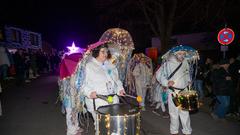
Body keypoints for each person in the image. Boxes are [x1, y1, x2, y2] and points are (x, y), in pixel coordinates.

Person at [82, 42, 125, 125]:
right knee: (102, 127)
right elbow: (82, 84)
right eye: (103, 52)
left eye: (106, 51)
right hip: (98, 102)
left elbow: (117, 80)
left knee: (115, 126)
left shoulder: (111, 65)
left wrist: (120, 89)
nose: (105, 54)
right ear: (96, 52)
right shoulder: (89, 66)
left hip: (113, 100)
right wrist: (89, 92)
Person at [157, 50, 192, 135]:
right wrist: (166, 82)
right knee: (174, 113)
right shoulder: (168, 63)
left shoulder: (185, 63)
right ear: (175, 54)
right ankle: (174, 131)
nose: (182, 56)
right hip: (173, 91)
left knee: (185, 112)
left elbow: (187, 74)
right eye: (180, 54)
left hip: (184, 91)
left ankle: (187, 131)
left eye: (184, 54)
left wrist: (189, 81)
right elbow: (159, 74)